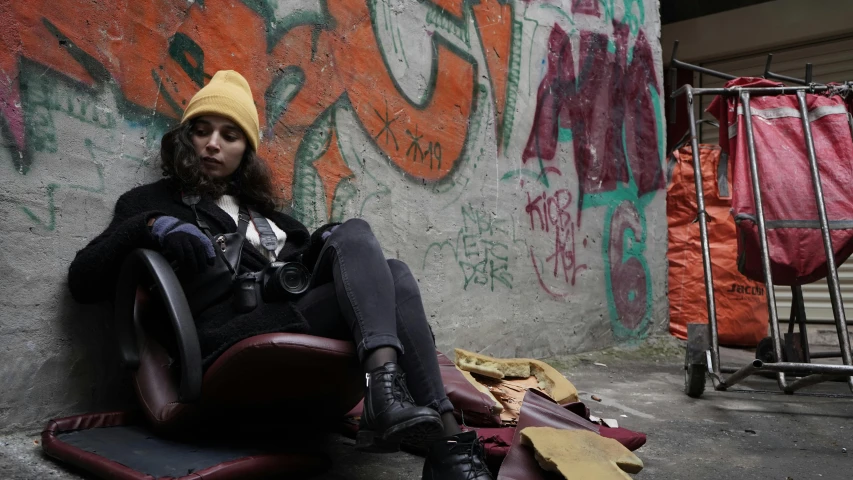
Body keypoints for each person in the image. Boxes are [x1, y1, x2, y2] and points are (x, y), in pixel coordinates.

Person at [67, 70, 493, 479]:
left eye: (229, 136)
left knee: (386, 264)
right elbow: (83, 279)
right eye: (202, 131)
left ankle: (447, 447)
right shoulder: (150, 202)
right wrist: (151, 226)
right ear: (184, 138)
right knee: (388, 269)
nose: (212, 145)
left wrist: (324, 243)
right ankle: (397, 404)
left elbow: (308, 279)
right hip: (223, 337)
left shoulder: (277, 222)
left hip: (291, 316)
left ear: (245, 152)